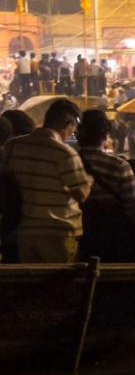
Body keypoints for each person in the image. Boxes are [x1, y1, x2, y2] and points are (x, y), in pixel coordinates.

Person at [4, 98, 92, 263]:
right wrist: (88, 181)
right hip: (59, 232)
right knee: (60, 285)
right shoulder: (65, 153)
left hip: (24, 231)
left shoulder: (13, 146)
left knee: (31, 283)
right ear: (69, 124)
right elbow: (81, 194)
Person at [75, 108, 135, 262]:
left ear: (78, 134)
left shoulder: (69, 163)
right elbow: (134, 208)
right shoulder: (118, 165)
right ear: (105, 135)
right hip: (112, 239)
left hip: (80, 238)